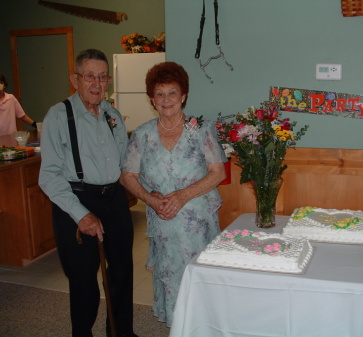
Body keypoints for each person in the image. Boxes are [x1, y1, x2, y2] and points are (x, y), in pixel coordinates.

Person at [39, 49, 138, 337]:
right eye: (89, 76)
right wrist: (82, 215)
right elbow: (49, 176)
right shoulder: (59, 116)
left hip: (114, 200)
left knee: (121, 272)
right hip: (76, 200)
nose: (97, 83)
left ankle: (121, 332)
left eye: (103, 77)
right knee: (83, 280)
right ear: (75, 79)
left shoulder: (112, 114)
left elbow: (124, 165)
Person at [120, 62, 227, 326]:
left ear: (183, 96)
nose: (166, 99)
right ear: (151, 99)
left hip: (198, 221)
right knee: (169, 277)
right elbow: (127, 176)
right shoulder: (141, 135)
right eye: (160, 93)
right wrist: (151, 199)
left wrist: (182, 195)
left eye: (172, 93)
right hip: (163, 220)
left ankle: (204, 327)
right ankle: (177, 327)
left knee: (199, 276)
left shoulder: (201, 129)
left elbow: (218, 173)